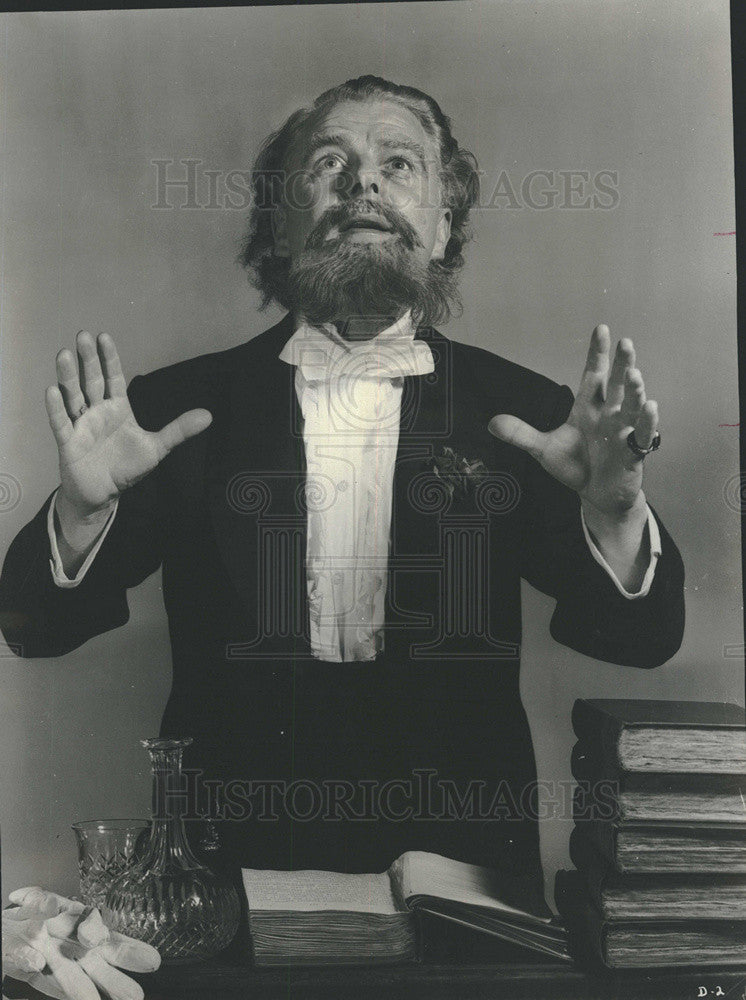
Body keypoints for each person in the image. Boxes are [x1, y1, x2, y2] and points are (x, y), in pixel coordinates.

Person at [0, 76, 684, 919]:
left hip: (463, 875)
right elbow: (31, 626)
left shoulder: (534, 418)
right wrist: (81, 513)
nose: (365, 183)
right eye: (331, 163)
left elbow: (645, 641)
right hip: (228, 873)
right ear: (281, 227)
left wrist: (613, 516)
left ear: (440, 226)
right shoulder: (171, 412)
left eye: (399, 164)